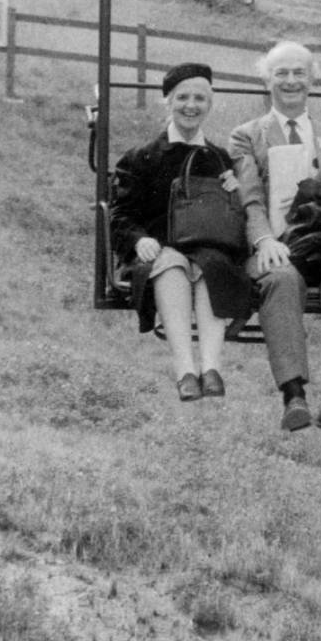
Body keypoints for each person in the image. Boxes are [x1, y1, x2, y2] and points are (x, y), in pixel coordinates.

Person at [229, 40, 321, 441]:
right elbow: (248, 196)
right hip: (276, 245)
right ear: (267, 80)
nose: (291, 81)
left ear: (312, 79)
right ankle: (294, 396)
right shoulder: (247, 137)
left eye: (299, 73)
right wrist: (262, 240)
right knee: (280, 278)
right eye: (281, 73)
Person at [111, 62, 252, 401]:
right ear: (168, 102)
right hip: (158, 252)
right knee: (172, 264)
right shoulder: (141, 158)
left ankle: (211, 367)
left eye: (200, 99)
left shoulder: (219, 159)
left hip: (208, 249)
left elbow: (237, 221)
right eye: (183, 98)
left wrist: (235, 193)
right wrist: (139, 239)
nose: (191, 106)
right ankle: (185, 369)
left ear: (210, 105)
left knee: (211, 267)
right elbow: (120, 215)